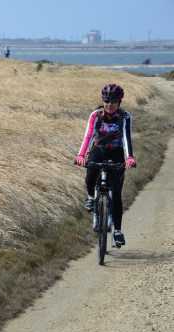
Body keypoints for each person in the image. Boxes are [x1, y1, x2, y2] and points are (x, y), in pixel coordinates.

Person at [74, 84, 136, 247]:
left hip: (116, 153)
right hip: (98, 150)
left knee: (116, 194)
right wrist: (81, 155)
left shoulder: (125, 116)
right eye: (107, 101)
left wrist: (129, 157)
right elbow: (88, 136)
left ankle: (117, 231)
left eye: (113, 102)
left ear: (119, 102)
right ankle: (90, 197)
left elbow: (125, 137)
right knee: (90, 175)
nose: (109, 105)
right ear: (103, 101)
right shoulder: (96, 115)